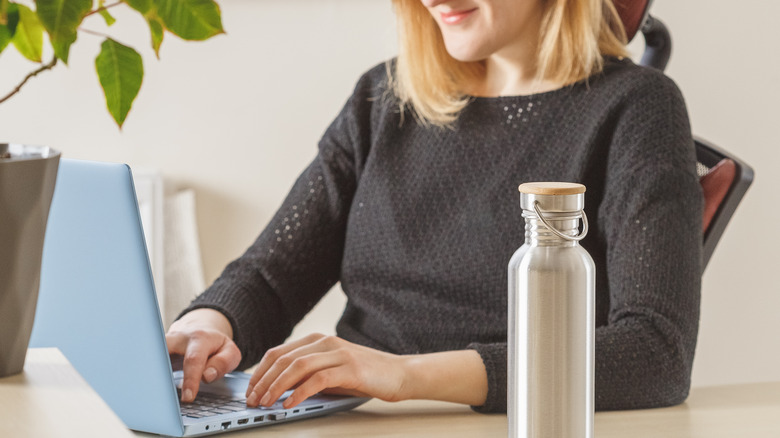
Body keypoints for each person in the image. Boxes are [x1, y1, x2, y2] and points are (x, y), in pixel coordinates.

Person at [166, 0, 702, 414]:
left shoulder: (637, 106)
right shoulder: (384, 97)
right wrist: (206, 326)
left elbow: (655, 354)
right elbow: (270, 276)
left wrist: (403, 375)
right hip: (359, 419)